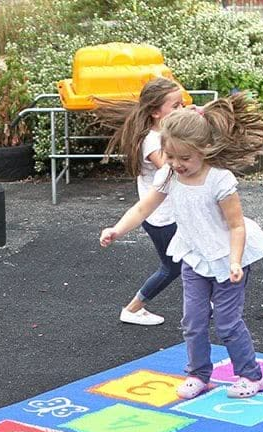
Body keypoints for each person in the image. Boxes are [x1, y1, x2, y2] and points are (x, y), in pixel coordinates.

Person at [100, 94, 263, 399]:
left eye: (185, 159)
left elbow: (236, 225)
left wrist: (235, 261)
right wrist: (117, 229)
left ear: (204, 151)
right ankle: (199, 374)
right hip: (194, 256)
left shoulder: (220, 181)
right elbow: (143, 208)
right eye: (171, 157)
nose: (177, 165)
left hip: (226, 258)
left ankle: (251, 375)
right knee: (192, 320)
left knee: (227, 322)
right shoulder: (169, 174)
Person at [96, 78, 184, 326]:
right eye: (175, 106)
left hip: (167, 213)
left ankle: (208, 300)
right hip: (161, 217)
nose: (182, 110)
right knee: (173, 267)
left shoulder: (162, 134)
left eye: (183, 104)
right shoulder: (153, 142)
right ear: (156, 112)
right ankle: (133, 308)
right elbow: (172, 168)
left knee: (192, 258)